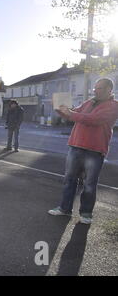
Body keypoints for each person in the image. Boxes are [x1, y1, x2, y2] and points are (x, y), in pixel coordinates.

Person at [48, 78, 118, 225]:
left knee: (89, 184)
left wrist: (71, 113)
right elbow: (74, 113)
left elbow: (94, 119)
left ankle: (86, 213)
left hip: (95, 150)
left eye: (99, 88)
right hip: (75, 146)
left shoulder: (113, 106)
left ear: (109, 90)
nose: (95, 91)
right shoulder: (89, 102)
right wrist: (59, 108)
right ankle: (64, 208)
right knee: (69, 180)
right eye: (95, 88)